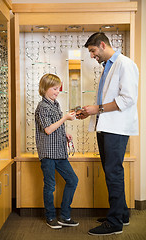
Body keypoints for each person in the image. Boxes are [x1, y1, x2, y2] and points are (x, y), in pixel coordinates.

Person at [77, 32, 139, 236]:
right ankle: (121, 214)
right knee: (112, 172)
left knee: (113, 173)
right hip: (106, 127)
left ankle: (114, 223)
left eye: (93, 51)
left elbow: (127, 99)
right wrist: (90, 112)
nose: (93, 56)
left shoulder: (125, 64)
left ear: (102, 45)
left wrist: (98, 109)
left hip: (117, 128)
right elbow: (107, 100)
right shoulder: (108, 67)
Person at [35, 73, 79, 229]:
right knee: (50, 186)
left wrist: (64, 133)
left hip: (59, 152)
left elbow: (55, 126)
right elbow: (47, 130)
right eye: (54, 89)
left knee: (73, 180)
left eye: (58, 89)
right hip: (48, 153)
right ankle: (50, 217)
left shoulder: (56, 104)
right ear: (45, 88)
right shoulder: (42, 107)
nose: (57, 92)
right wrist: (65, 119)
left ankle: (65, 216)